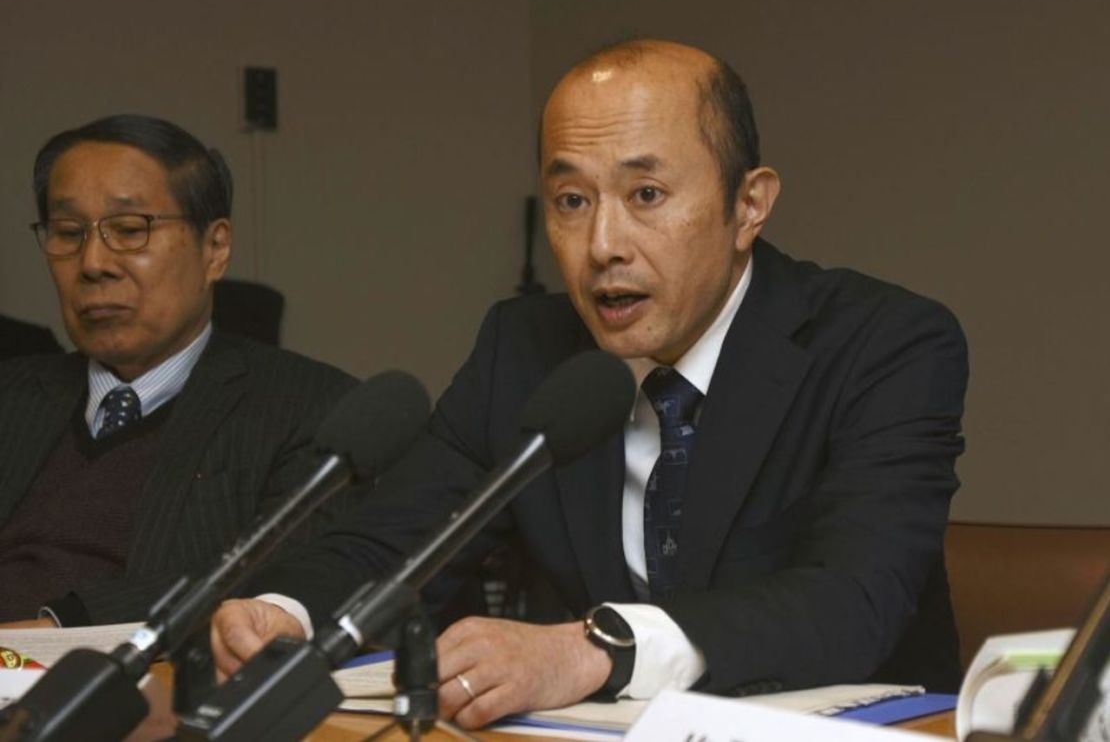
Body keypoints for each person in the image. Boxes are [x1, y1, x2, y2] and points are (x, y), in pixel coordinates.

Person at [211, 40, 969, 728]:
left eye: (646, 196)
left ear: (749, 205)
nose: (603, 247)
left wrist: (594, 649)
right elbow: (400, 546)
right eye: (573, 202)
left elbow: (853, 599)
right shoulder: (525, 349)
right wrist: (286, 615)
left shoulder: (884, 343)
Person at [0, 115, 356, 626]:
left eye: (128, 230)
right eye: (68, 233)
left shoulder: (310, 408)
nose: (94, 262)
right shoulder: (12, 396)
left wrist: (51, 630)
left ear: (215, 249)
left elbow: (278, 577)